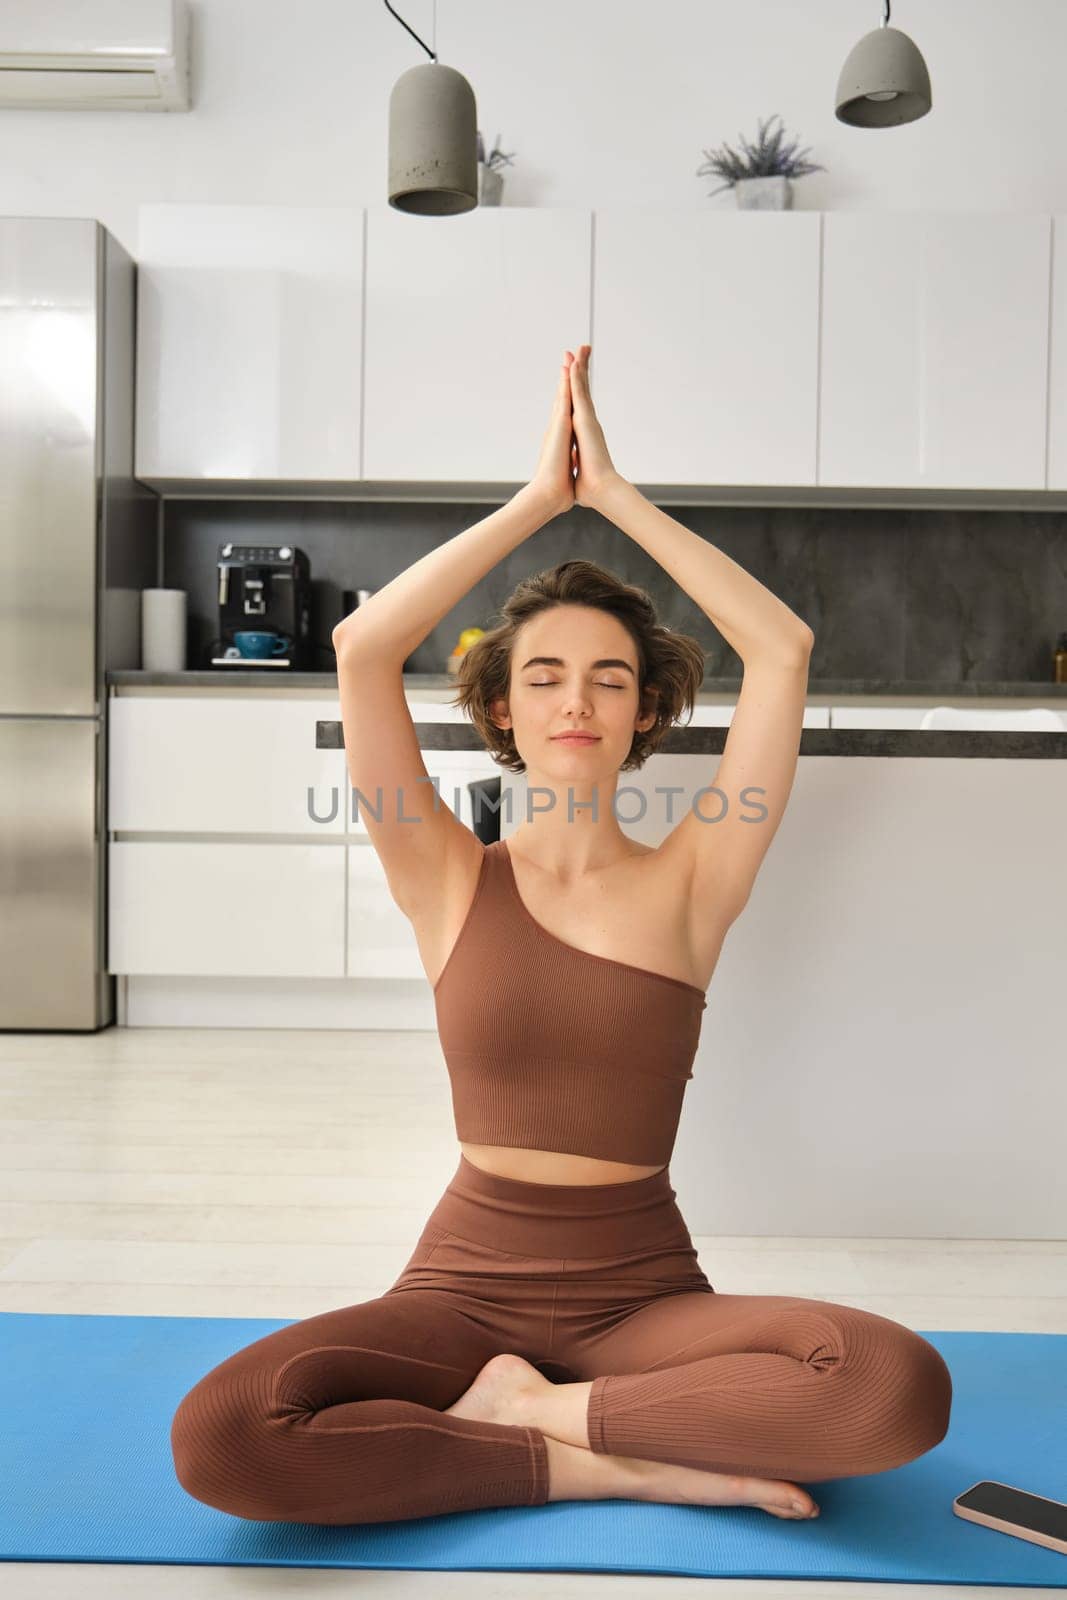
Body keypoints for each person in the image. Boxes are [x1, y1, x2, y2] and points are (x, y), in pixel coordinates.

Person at [170, 346, 952, 1527]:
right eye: (541, 677)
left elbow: (779, 646)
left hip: (639, 1296)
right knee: (224, 1437)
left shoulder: (698, 876)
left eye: (607, 678)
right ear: (500, 710)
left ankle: (532, 1416)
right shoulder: (440, 873)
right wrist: (539, 501)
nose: (575, 701)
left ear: (646, 710)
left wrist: (617, 497)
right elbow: (364, 648)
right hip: (459, 1291)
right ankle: (605, 1458)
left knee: (893, 1387)